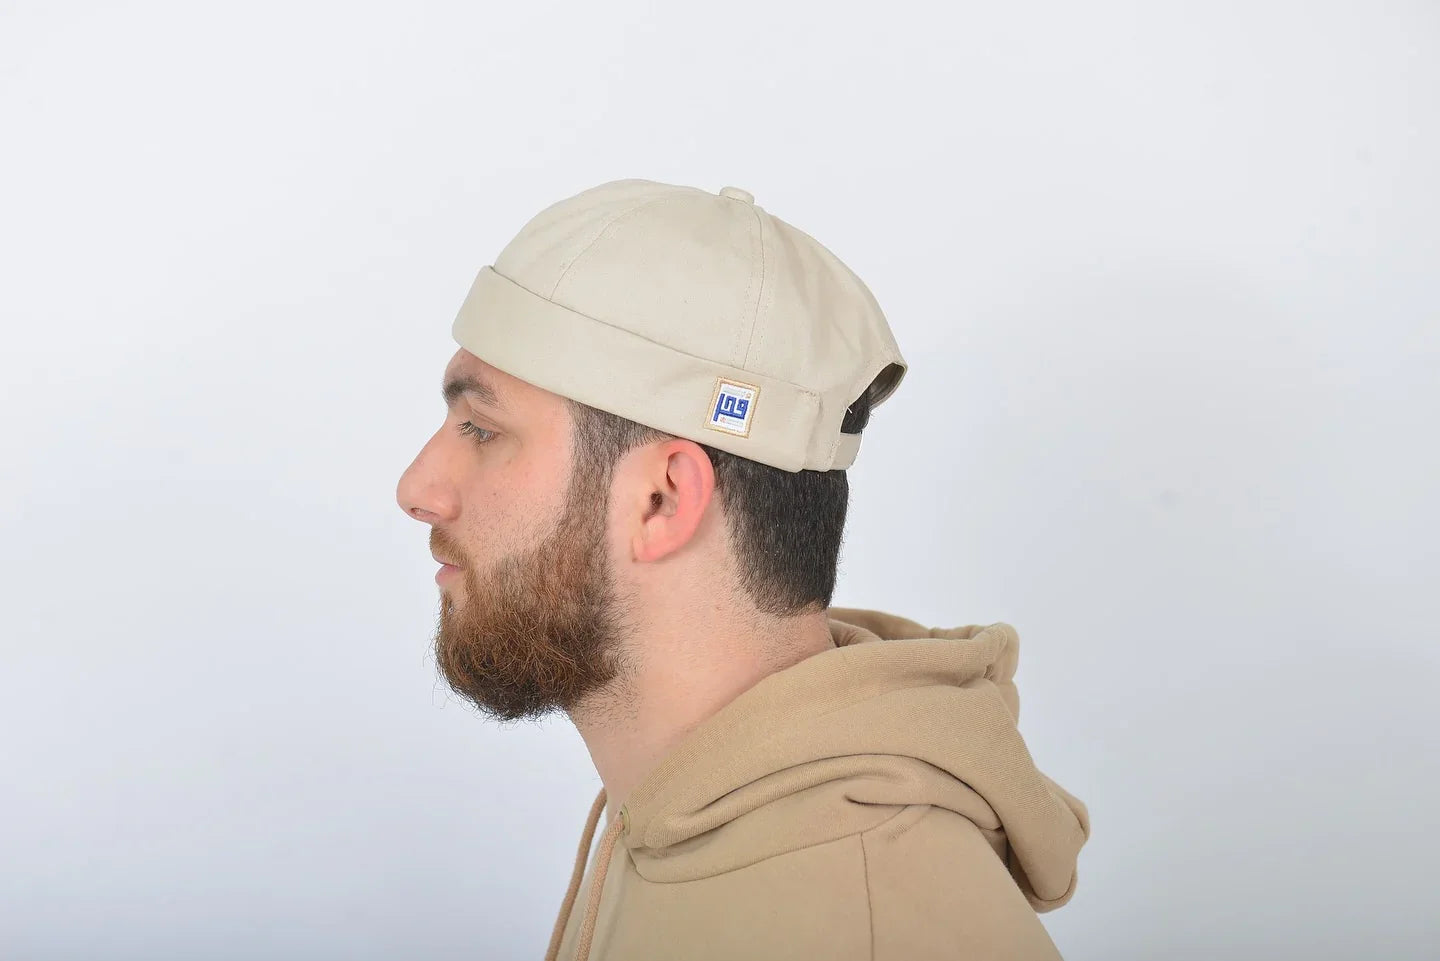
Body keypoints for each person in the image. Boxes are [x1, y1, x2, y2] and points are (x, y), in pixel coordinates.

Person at [395, 179, 1090, 961]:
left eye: (481, 430)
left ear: (662, 498)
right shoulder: (682, 810)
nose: (417, 488)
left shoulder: (867, 920)